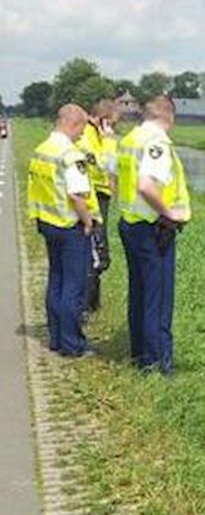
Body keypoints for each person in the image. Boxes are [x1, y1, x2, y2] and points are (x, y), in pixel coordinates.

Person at [117, 96, 191, 375]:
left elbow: (116, 176)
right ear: (169, 116)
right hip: (153, 228)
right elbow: (146, 185)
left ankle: (140, 355)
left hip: (130, 223)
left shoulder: (130, 139)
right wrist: (169, 213)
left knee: (139, 293)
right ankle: (158, 364)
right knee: (157, 300)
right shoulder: (156, 142)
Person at [26, 104, 98, 356]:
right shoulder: (70, 154)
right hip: (69, 226)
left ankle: (56, 337)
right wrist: (88, 221)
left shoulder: (41, 150)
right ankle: (72, 345)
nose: (81, 135)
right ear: (74, 123)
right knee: (74, 286)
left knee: (55, 280)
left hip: (47, 223)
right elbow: (77, 195)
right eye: (82, 129)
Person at [76, 99, 119, 315]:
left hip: (100, 196)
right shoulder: (86, 137)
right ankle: (84, 308)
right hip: (92, 199)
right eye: (113, 123)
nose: (114, 129)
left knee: (97, 254)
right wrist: (110, 141)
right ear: (104, 121)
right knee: (97, 255)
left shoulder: (95, 136)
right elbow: (105, 165)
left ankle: (91, 305)